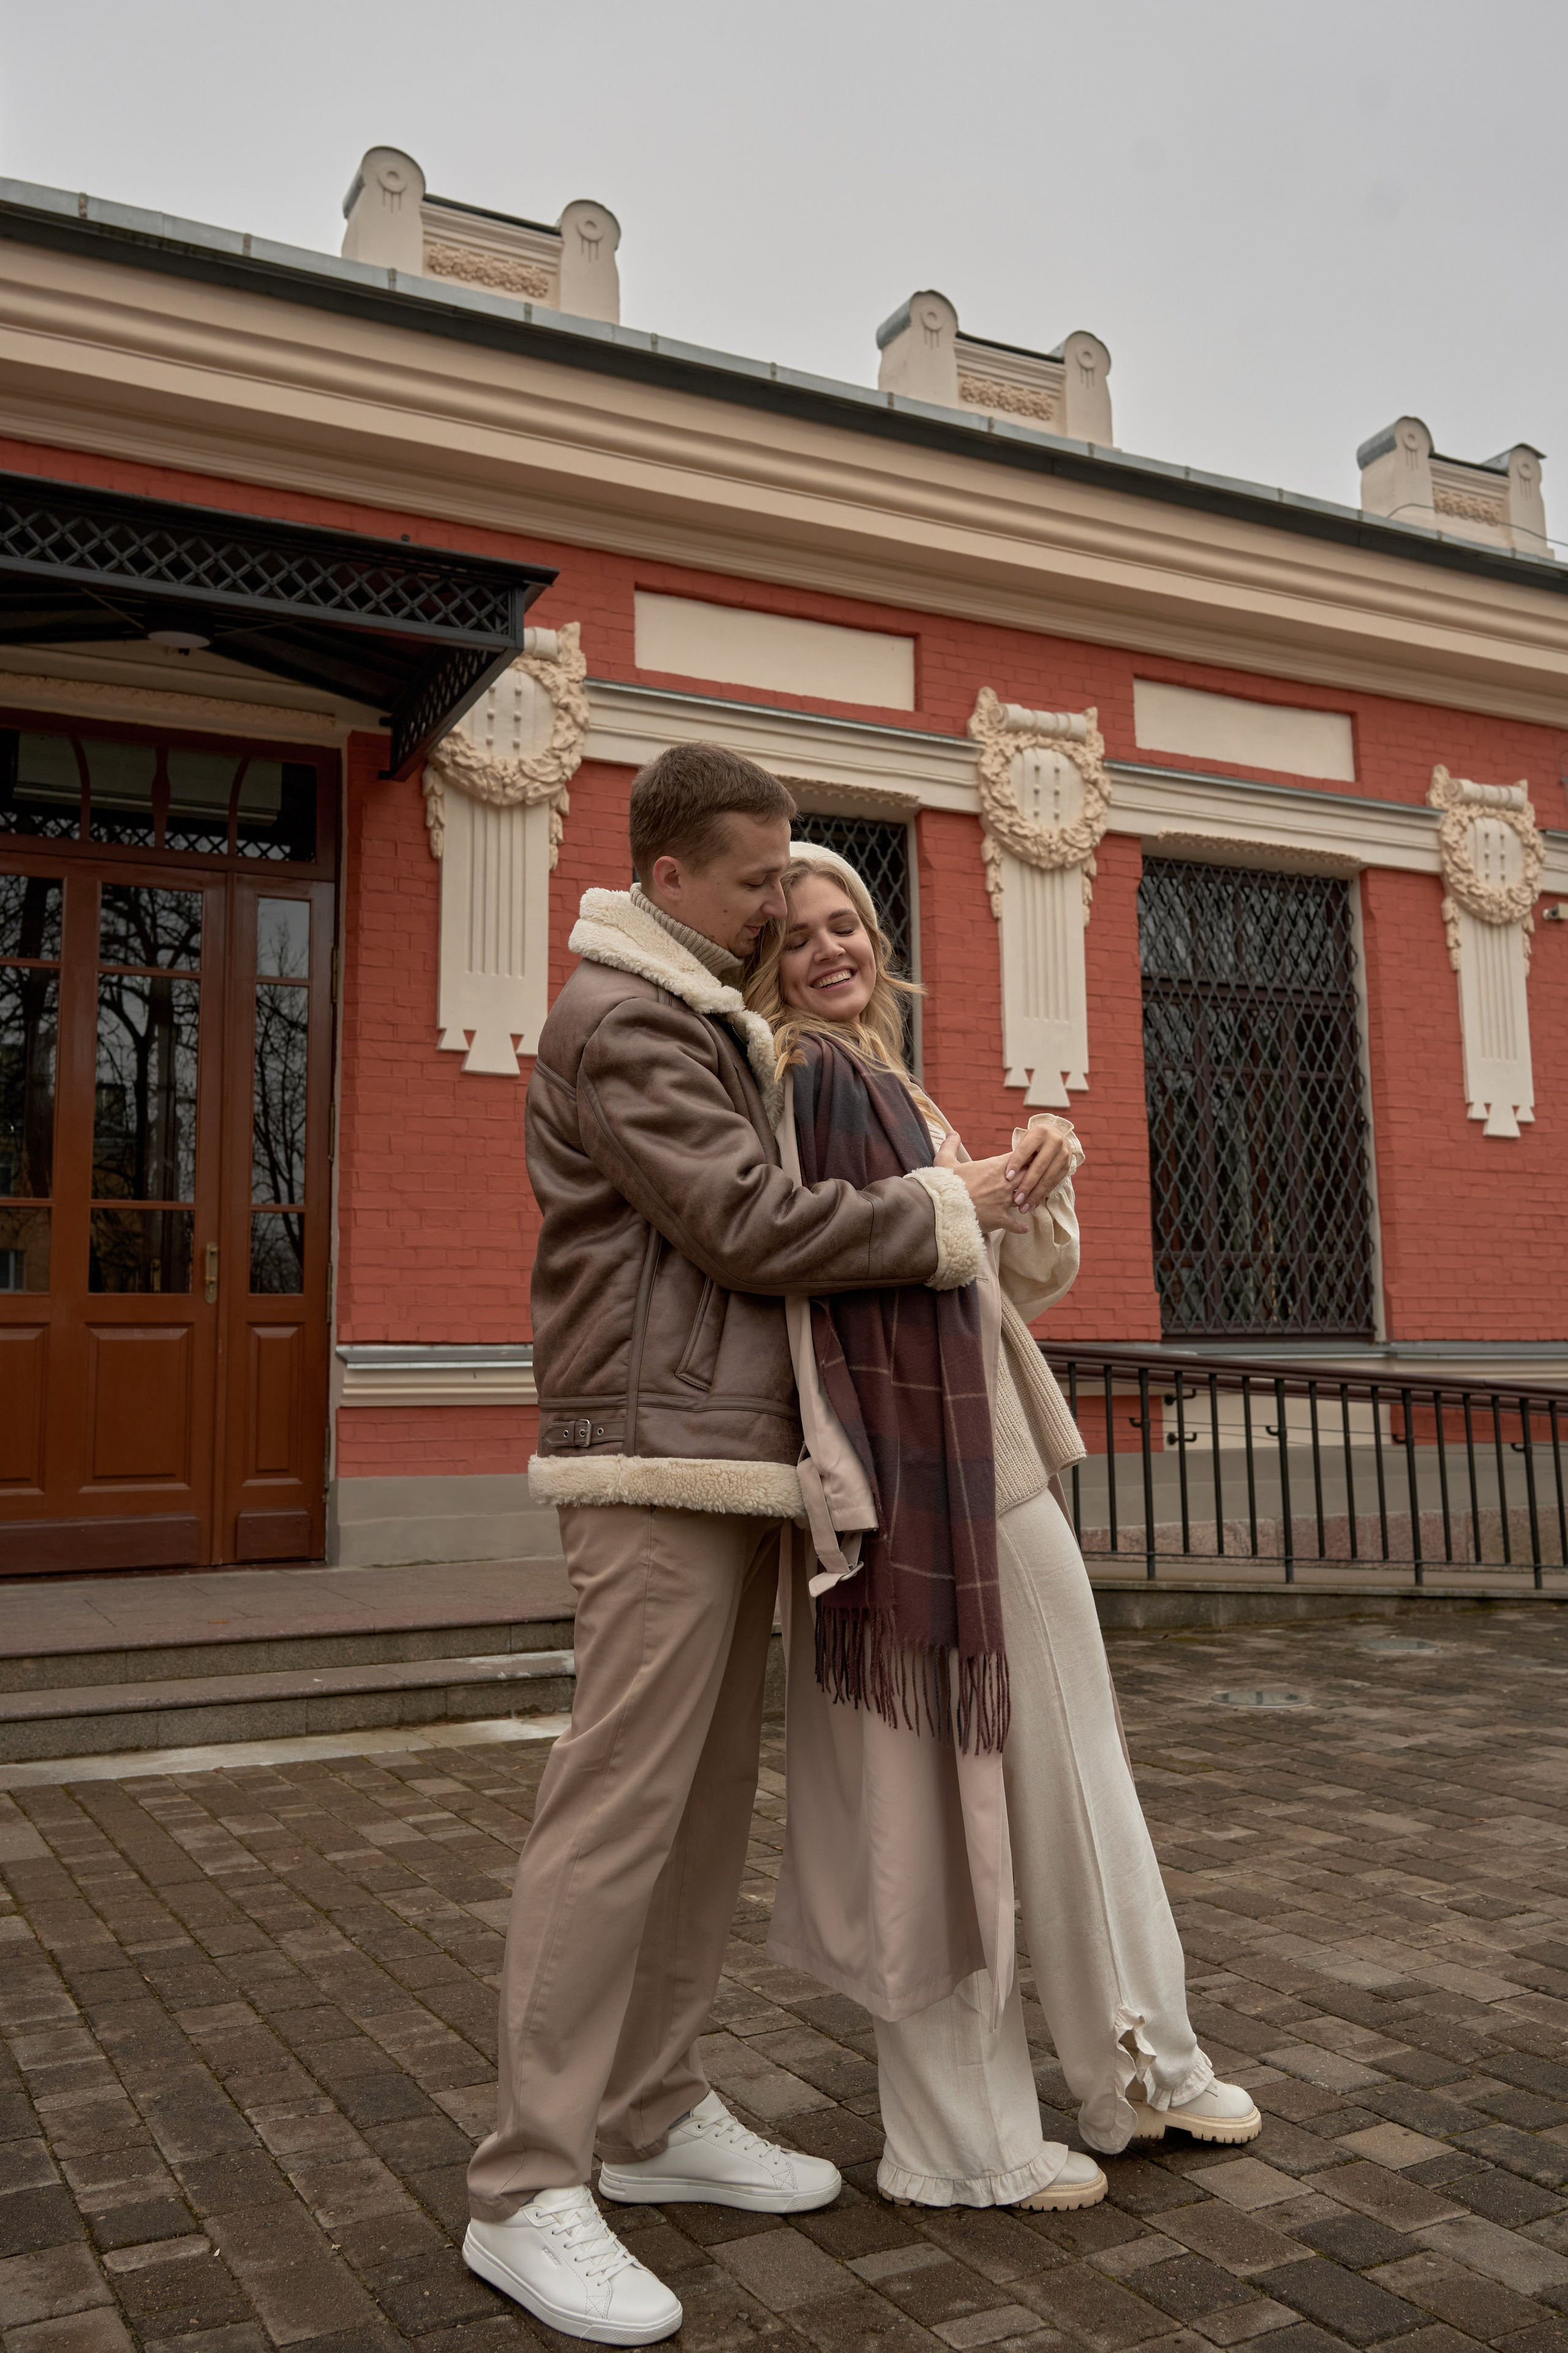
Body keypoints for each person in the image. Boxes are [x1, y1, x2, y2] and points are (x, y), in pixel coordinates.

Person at [464, 749, 1068, 2343]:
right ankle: (526, 2182)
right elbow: (749, 1223)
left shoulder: (698, 1008)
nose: (774, 911)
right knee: (611, 1817)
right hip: (652, 1471)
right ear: (670, 878)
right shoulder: (627, 1016)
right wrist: (947, 1201)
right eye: (752, 884)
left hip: (726, 1464)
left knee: (699, 1809)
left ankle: (651, 2117)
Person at [743, 844, 1262, 2213]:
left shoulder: (877, 1080)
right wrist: (960, 1195)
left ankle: (1108, 2081)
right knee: (994, 1799)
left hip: (961, 1468)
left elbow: (996, 1278)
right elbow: (845, 1256)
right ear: (762, 962)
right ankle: (1089, 2090)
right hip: (928, 1481)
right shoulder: (808, 1078)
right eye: (796, 934)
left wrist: (1032, 1173)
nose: (832, 948)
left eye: (848, 922)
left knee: (997, 1796)